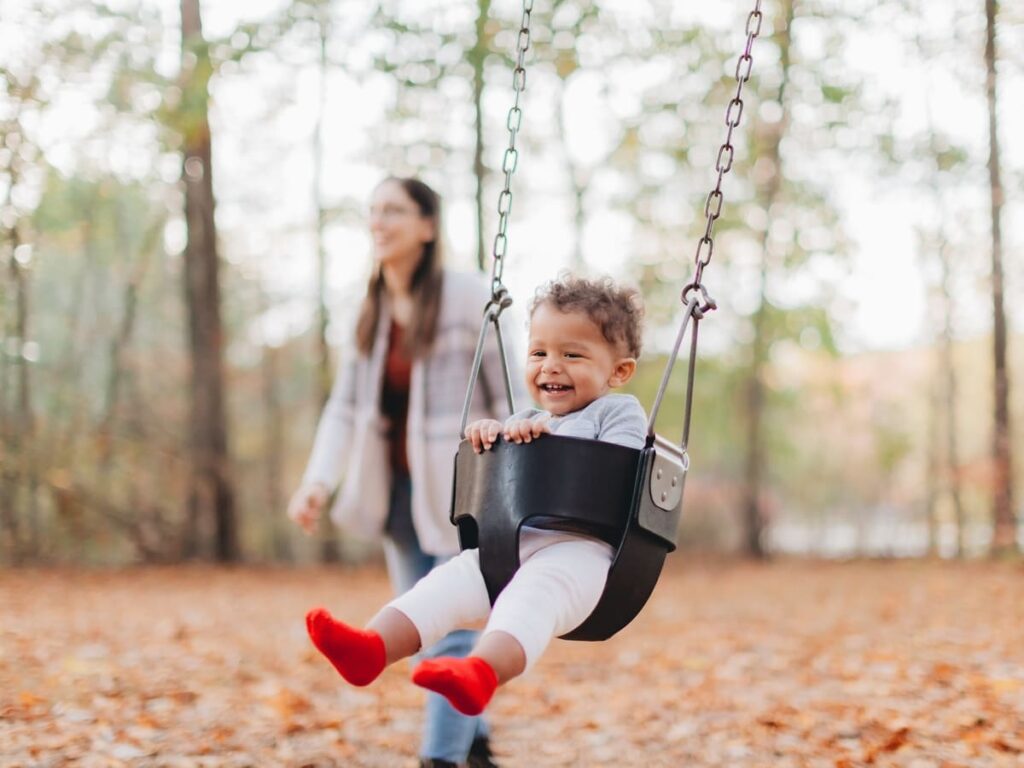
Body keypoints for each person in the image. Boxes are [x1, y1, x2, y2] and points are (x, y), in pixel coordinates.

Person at [305, 274, 647, 718]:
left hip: (580, 555)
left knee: (531, 599)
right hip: (511, 546)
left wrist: (548, 441)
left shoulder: (620, 412)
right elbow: (507, 470)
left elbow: (616, 466)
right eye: (539, 352)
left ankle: (480, 673)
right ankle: (371, 648)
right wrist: (493, 435)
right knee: (444, 584)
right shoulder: (526, 417)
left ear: (619, 370)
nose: (551, 365)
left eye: (572, 354)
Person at [287, 177, 523, 768]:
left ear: (427, 225)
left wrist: (524, 476)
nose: (379, 221)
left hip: (463, 491)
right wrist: (318, 481)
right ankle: (477, 744)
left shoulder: (469, 297)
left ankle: (439, 758)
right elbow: (344, 407)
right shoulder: (370, 309)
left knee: (451, 627)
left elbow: (510, 391)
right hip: (393, 495)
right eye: (373, 211)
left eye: (393, 210)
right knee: (420, 622)